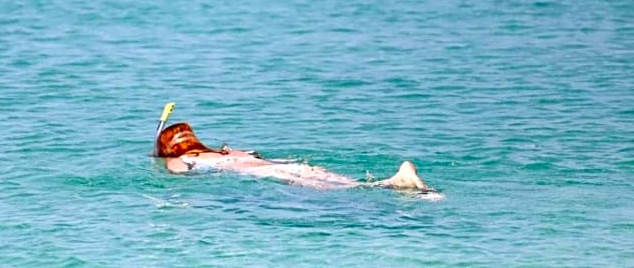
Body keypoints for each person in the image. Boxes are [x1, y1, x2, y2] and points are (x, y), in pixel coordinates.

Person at [154, 121, 435, 192]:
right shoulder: (227, 151)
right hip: (285, 165)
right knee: (347, 183)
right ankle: (401, 181)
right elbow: (256, 155)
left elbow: (177, 172)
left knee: (347, 192)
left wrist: (160, 157)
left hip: (264, 174)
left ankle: (397, 183)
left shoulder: (187, 159)